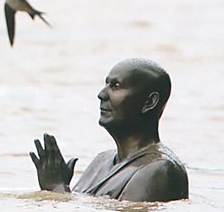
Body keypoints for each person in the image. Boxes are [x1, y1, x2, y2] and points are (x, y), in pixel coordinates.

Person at [30, 58, 189, 202]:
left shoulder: (159, 170)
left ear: (149, 102)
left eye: (116, 86)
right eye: (106, 84)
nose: (101, 94)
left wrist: (57, 189)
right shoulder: (101, 161)